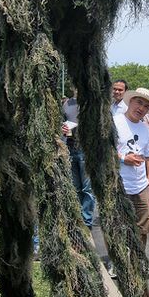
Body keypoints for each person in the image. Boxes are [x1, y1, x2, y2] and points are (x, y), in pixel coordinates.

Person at [114, 88, 149, 253]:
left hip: (140, 185)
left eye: (146, 106)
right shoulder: (114, 122)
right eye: (139, 102)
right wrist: (123, 158)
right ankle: (117, 260)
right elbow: (103, 150)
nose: (141, 108)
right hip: (118, 183)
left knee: (143, 225)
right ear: (130, 101)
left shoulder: (144, 128)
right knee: (118, 224)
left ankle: (138, 259)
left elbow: (147, 155)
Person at [62, 89, 95, 230]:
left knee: (87, 188)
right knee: (75, 187)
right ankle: (77, 218)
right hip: (70, 147)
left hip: (86, 149)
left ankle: (86, 221)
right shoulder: (66, 103)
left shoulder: (90, 101)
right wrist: (64, 129)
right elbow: (62, 123)